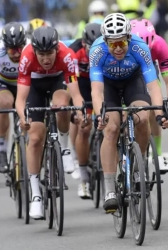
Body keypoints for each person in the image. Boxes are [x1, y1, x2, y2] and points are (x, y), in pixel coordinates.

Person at [90, 13, 168, 212]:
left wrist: (161, 114)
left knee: (143, 116)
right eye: (112, 44)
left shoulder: (139, 47)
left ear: (128, 37)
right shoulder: (97, 50)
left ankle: (139, 164)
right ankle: (110, 189)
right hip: (108, 85)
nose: (117, 49)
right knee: (110, 128)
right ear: (105, 41)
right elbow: (97, 90)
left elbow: (153, 87)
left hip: (132, 81)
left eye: (121, 43)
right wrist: (100, 114)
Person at [15, 26, 84, 219]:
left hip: (57, 81)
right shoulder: (27, 56)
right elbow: (20, 99)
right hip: (34, 85)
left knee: (62, 105)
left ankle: (64, 149)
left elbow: (76, 95)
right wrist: (23, 117)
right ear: (35, 51)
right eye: (42, 54)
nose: (46, 59)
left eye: (50, 53)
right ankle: (36, 195)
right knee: (35, 137)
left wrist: (80, 113)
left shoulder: (67, 55)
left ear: (57, 50)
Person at [131, 19, 168, 174]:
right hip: (128, 68)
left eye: (147, 48)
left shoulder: (159, 44)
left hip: (149, 67)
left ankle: (158, 155)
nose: (144, 51)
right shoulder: (125, 47)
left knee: (155, 106)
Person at [0, 22, 27, 173]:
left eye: (18, 49)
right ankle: (1, 149)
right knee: (4, 103)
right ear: (5, 46)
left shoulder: (30, 50)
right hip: (5, 84)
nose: (15, 53)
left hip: (25, 85)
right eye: (11, 49)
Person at [68, 23, 102, 198]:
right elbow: (71, 83)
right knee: (84, 127)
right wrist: (77, 110)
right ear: (83, 44)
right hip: (80, 86)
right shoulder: (74, 52)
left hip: (101, 84)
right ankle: (83, 176)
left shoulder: (107, 48)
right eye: (91, 48)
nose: (95, 51)